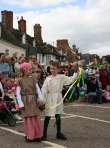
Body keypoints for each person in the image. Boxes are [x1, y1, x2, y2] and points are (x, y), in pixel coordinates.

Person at [41, 61, 79, 140]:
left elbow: (71, 80)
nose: (52, 70)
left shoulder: (61, 77)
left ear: (58, 69)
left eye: (54, 69)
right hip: (50, 98)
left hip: (58, 97)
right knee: (47, 116)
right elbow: (44, 90)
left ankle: (58, 133)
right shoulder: (48, 79)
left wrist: (75, 71)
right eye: (51, 68)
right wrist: (42, 100)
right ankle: (44, 134)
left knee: (58, 115)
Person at [16, 62, 44, 142]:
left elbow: (38, 89)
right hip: (25, 101)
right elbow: (18, 93)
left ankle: (37, 135)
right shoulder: (20, 80)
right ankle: (30, 136)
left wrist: (40, 98)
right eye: (29, 69)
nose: (30, 71)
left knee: (35, 118)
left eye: (31, 69)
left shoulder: (33, 79)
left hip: (34, 100)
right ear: (24, 70)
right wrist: (20, 103)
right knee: (28, 119)